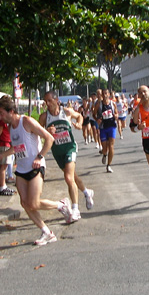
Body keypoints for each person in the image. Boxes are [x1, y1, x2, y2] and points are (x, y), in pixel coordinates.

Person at [0, 96, 72, 246]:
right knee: (25, 203)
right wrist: (2, 155)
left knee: (34, 203)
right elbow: (17, 148)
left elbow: (49, 138)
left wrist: (39, 156)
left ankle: (61, 205)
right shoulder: (11, 127)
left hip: (36, 166)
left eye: (1, 113)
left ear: (11, 111)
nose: (0, 117)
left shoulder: (26, 121)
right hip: (21, 169)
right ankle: (46, 232)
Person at [39, 91, 95, 222]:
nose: (47, 104)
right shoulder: (43, 117)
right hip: (57, 152)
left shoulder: (67, 112)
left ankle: (75, 210)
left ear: (56, 100)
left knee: (68, 178)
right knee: (73, 177)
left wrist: (80, 124)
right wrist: (47, 132)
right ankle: (87, 192)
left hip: (70, 148)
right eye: (45, 101)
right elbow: (37, 133)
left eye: (49, 100)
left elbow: (79, 116)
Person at [0, 111, 16, 196]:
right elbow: (0, 129)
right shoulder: (3, 117)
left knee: (4, 165)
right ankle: (2, 187)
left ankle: (3, 185)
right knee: (3, 165)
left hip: (3, 142)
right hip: (3, 142)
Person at [95, 88, 118, 173]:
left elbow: (116, 113)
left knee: (111, 146)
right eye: (103, 94)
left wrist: (116, 116)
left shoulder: (113, 104)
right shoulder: (99, 105)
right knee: (105, 148)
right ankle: (104, 154)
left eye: (106, 93)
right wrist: (97, 119)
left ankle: (109, 165)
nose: (104, 95)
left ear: (109, 94)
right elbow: (94, 114)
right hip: (103, 128)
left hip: (112, 126)